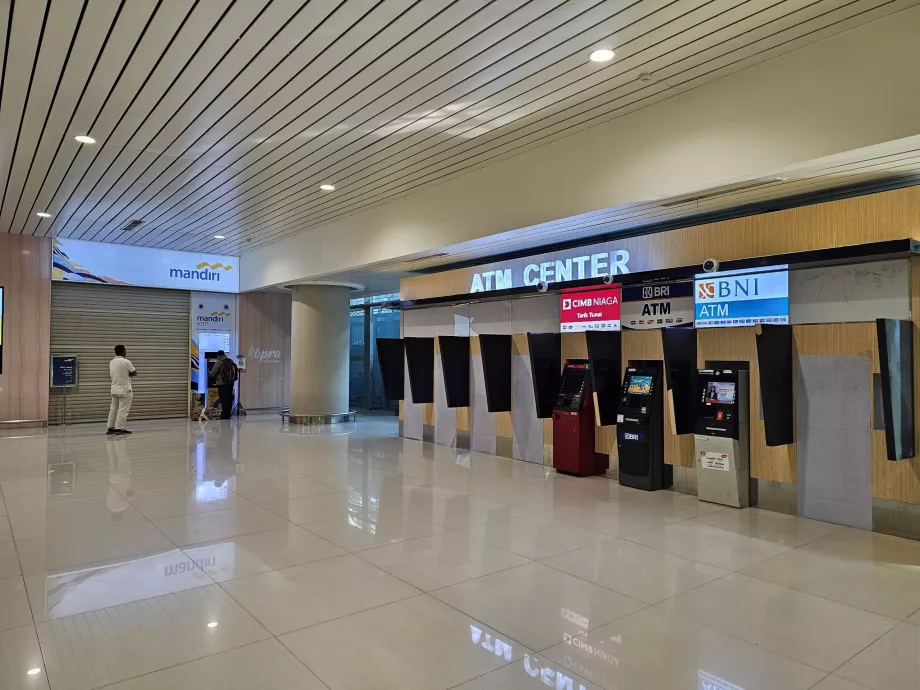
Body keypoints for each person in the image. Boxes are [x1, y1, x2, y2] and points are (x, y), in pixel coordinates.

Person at [107, 344, 136, 435]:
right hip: (124, 390)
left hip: (114, 389)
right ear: (123, 351)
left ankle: (111, 427)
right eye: (125, 351)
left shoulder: (112, 362)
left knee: (113, 409)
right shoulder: (125, 361)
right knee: (123, 410)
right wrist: (128, 374)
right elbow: (134, 372)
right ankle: (119, 428)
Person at [209, 350, 238, 420]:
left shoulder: (219, 361)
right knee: (229, 399)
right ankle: (228, 414)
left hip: (222, 384)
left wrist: (210, 376)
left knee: (223, 399)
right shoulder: (230, 361)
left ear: (218, 355)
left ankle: (224, 415)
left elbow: (213, 373)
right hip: (230, 383)